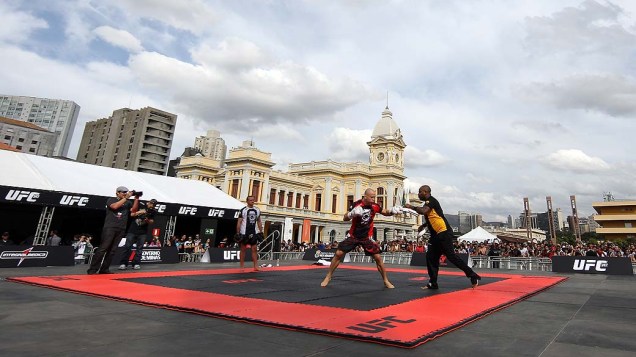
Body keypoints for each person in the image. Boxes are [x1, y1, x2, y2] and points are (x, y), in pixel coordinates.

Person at [320, 188, 402, 289]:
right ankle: (328, 276)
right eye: (372, 197)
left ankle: (386, 280)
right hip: (353, 236)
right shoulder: (356, 204)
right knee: (338, 254)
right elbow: (344, 218)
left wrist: (392, 211)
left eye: (374, 197)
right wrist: (351, 214)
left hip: (366, 237)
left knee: (378, 258)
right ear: (365, 196)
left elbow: (384, 211)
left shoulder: (374, 206)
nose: (373, 199)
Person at [405, 185, 481, 289]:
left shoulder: (431, 201)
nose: (418, 194)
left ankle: (473, 275)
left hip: (443, 233)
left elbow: (423, 211)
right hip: (435, 235)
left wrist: (412, 207)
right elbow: (433, 218)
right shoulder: (427, 204)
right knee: (431, 257)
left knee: (452, 257)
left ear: (425, 192)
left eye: (419, 192)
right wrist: (423, 225)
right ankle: (433, 283)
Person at [87, 186, 139, 275]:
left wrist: (136, 199)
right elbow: (114, 207)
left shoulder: (128, 202)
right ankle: (93, 269)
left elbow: (133, 210)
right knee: (103, 248)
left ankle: (104, 269)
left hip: (121, 228)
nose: (125, 193)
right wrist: (126, 198)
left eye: (126, 192)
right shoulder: (111, 199)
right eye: (123, 192)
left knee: (112, 250)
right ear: (117, 193)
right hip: (110, 227)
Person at [118, 198, 157, 270]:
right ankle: (123, 263)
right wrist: (140, 212)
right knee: (127, 247)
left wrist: (147, 220)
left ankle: (136, 263)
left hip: (143, 232)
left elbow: (152, 221)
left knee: (139, 248)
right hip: (132, 230)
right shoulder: (141, 205)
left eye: (153, 204)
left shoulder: (153, 211)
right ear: (148, 202)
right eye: (151, 203)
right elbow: (132, 214)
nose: (151, 205)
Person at [235, 195, 263, 271]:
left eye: (253, 200)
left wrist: (261, 232)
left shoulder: (257, 210)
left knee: (254, 249)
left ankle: (256, 266)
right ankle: (241, 266)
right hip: (244, 233)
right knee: (243, 249)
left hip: (254, 232)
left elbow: (259, 221)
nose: (252, 201)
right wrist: (238, 233)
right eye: (250, 200)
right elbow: (239, 222)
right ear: (247, 201)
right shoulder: (243, 210)